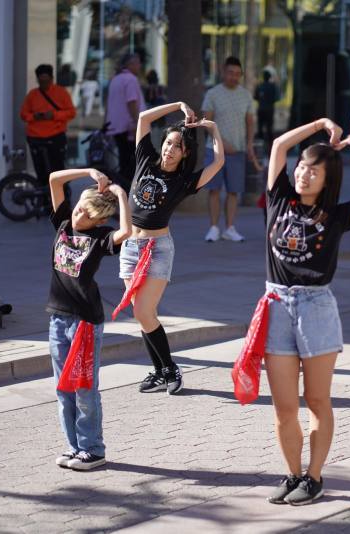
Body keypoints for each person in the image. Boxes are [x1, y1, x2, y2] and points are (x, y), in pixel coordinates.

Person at [263, 119, 350, 505]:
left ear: (327, 178)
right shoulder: (279, 197)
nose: (303, 172)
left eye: (314, 169)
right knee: (284, 406)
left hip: (316, 307)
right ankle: (292, 473)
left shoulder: (337, 215)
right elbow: (279, 145)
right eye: (302, 166)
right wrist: (317, 126)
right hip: (276, 305)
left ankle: (314, 477)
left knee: (316, 400)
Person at [123, 102, 225, 395]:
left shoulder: (184, 181)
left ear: (185, 153)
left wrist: (213, 129)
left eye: (176, 147)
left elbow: (218, 162)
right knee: (141, 313)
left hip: (157, 248)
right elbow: (143, 117)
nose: (169, 150)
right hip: (132, 246)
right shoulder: (145, 159)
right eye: (167, 143)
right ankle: (159, 371)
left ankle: (169, 368)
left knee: (144, 311)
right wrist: (178, 106)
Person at [46, 167, 131, 471]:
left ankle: (93, 449)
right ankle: (74, 448)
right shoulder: (63, 224)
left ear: (99, 221)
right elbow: (55, 179)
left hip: (84, 321)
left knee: (84, 388)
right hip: (58, 317)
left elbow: (126, 233)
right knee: (62, 388)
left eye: (86, 213)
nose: (78, 214)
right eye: (79, 206)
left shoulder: (100, 238)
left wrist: (121, 194)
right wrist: (88, 171)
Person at [202, 56, 261, 242]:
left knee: (234, 190)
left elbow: (250, 122)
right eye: (230, 73)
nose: (234, 77)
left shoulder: (245, 95)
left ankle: (229, 227)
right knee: (214, 189)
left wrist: (249, 144)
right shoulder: (212, 94)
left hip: (238, 150)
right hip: (215, 149)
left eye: (237, 74)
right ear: (223, 72)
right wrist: (221, 142)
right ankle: (213, 227)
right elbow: (207, 122)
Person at [19, 64, 76, 195]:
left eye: (47, 81)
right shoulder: (32, 95)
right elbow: (23, 114)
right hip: (35, 137)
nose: (44, 84)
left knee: (58, 169)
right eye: (41, 81)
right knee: (41, 171)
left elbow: (71, 112)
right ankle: (44, 201)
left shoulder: (61, 92)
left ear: (52, 78)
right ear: (38, 80)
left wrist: (54, 115)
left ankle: (62, 199)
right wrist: (34, 116)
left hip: (55, 135)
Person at [106, 53, 146, 191]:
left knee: (124, 162)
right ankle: (127, 195)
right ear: (131, 65)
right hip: (129, 127)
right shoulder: (130, 79)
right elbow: (132, 102)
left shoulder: (115, 79)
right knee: (131, 164)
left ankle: (121, 194)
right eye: (138, 63)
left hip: (116, 127)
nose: (140, 66)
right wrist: (136, 123)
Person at [254, 70, 280, 154]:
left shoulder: (259, 86)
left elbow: (255, 97)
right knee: (269, 129)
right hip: (269, 110)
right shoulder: (273, 86)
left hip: (261, 109)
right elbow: (277, 98)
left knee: (260, 128)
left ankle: (260, 148)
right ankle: (270, 149)